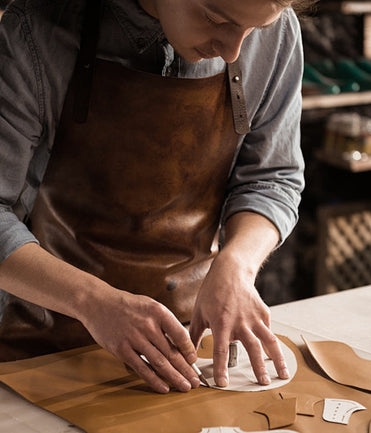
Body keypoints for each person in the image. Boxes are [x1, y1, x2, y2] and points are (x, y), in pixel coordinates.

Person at [0, 0, 307, 394]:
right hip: (40, 349)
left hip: (186, 351)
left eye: (252, 31)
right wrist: (94, 302)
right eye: (215, 18)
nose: (233, 50)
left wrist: (238, 264)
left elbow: (272, 178)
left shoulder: (278, 33)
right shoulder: (36, 32)